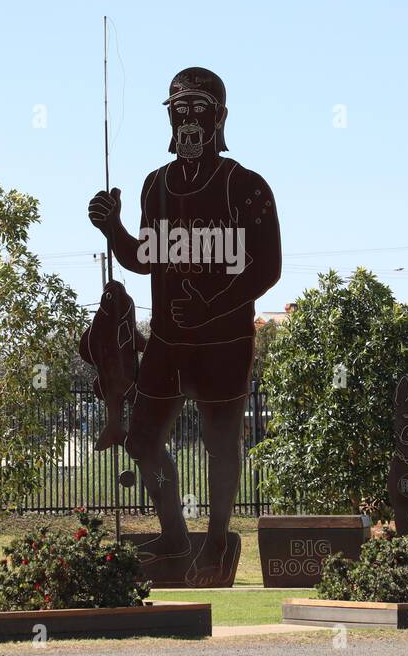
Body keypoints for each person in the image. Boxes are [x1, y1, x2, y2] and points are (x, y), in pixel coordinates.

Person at [88, 67, 282, 585]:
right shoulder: (156, 185)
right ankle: (175, 537)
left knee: (221, 443)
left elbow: (267, 268)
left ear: (219, 117)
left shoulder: (247, 186)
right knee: (143, 441)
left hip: (225, 342)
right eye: (181, 111)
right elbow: (143, 258)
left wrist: (210, 306)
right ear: (171, 118)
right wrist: (113, 229)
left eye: (201, 110)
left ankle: (217, 542)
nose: (190, 121)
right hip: (170, 344)